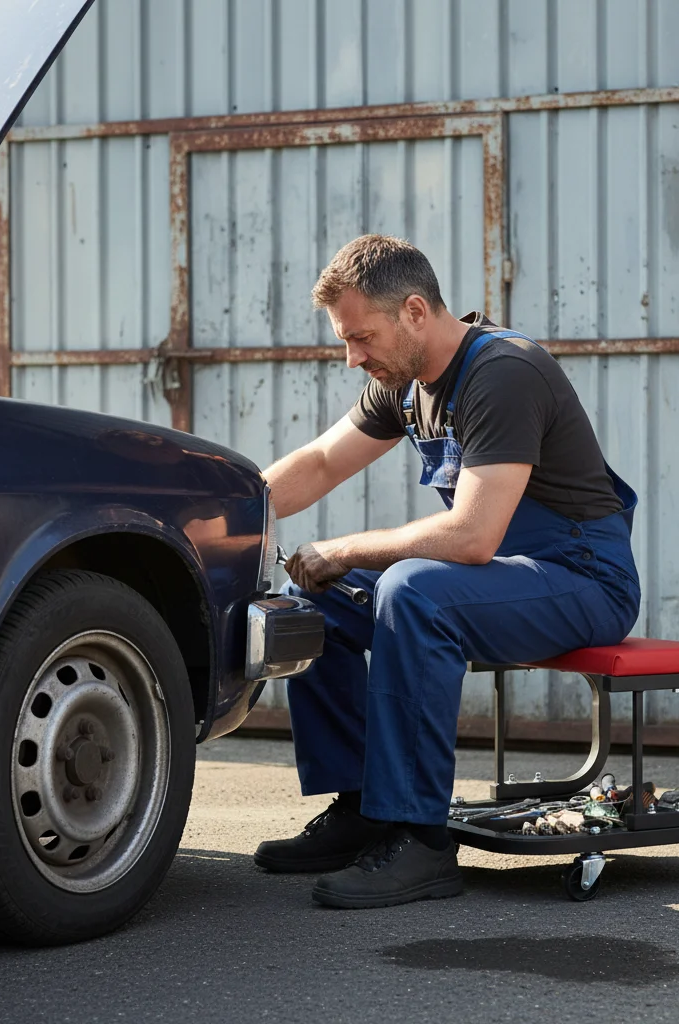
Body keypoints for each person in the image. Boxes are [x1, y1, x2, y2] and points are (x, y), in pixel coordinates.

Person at [254, 235, 640, 909]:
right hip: (507, 574)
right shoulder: (405, 387)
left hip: (582, 578)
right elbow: (318, 464)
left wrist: (344, 547)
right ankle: (362, 811)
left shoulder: (504, 372)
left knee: (414, 590)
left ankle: (421, 840)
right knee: (312, 600)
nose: (353, 358)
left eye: (361, 337)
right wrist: (217, 512)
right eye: (346, 340)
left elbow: (469, 536)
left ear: (413, 312)